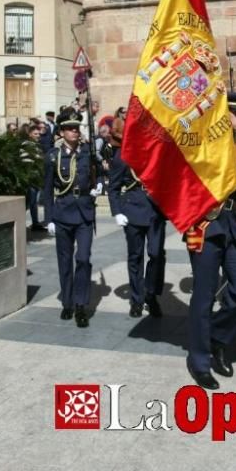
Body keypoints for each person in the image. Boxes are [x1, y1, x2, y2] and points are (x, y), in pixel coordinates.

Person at [184, 92, 236, 390]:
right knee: (204, 297)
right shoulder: (202, 146)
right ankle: (200, 361)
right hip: (205, 226)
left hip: (234, 226)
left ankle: (215, 337)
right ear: (222, 115)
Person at [44, 108, 103, 328]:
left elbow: (101, 173)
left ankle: (81, 305)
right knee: (65, 260)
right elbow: (48, 188)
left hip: (85, 214)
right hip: (62, 212)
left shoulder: (88, 153)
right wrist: (49, 218)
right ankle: (67, 303)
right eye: (70, 129)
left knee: (84, 259)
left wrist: (98, 186)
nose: (75, 132)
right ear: (61, 132)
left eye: (77, 128)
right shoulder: (52, 156)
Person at [108, 118, 166, 319]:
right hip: (132, 210)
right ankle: (137, 299)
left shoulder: (158, 155)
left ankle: (152, 294)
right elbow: (113, 187)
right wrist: (117, 212)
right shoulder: (123, 157)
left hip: (156, 211)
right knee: (135, 256)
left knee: (157, 254)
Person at [25, 125, 45, 231]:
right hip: (30, 178)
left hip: (37, 178)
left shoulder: (37, 146)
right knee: (30, 202)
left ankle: (35, 223)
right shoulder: (26, 145)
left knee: (34, 202)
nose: (38, 136)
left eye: (39, 134)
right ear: (30, 134)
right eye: (35, 134)